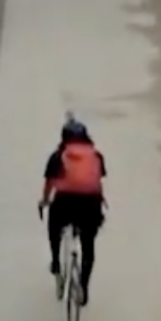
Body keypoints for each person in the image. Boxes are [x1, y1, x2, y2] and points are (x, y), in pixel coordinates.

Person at [39, 116, 107, 302]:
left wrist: (45, 201)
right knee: (88, 244)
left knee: (55, 222)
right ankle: (83, 287)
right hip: (90, 204)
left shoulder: (57, 156)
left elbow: (50, 184)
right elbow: (97, 180)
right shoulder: (96, 156)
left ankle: (56, 261)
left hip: (65, 202)